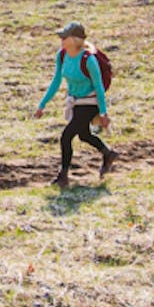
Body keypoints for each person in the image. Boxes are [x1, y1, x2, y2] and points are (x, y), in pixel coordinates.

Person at [34, 21, 118, 188]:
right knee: (84, 135)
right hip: (76, 102)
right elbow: (56, 81)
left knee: (66, 136)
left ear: (75, 40)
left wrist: (103, 113)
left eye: (64, 37)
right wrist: (42, 104)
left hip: (90, 102)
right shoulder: (62, 55)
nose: (61, 40)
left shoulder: (89, 59)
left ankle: (63, 176)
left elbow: (99, 87)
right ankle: (108, 154)